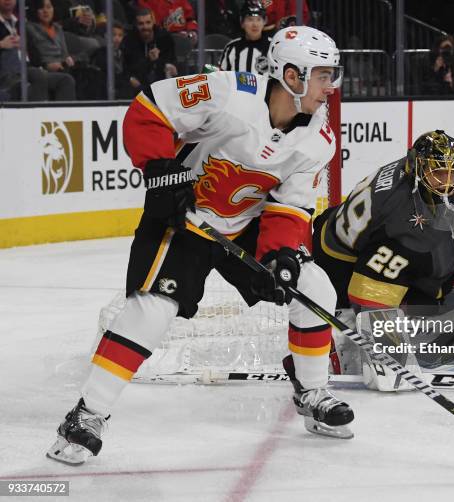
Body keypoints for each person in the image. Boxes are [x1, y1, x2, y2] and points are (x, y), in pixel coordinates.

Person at [47, 25, 353, 465]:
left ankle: (312, 392)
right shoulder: (228, 92)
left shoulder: (318, 138)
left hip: (244, 225)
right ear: (292, 75)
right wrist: (160, 169)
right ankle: (86, 414)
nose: (331, 87)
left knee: (315, 286)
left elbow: (291, 206)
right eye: (324, 75)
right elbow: (150, 109)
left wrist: (282, 254)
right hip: (183, 218)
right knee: (153, 309)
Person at [311, 131, 454, 388]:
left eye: (451, 172)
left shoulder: (411, 170)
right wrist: (391, 356)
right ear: (419, 168)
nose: (446, 182)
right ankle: (337, 337)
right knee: (356, 325)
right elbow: (365, 291)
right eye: (438, 172)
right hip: (337, 260)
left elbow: (444, 199)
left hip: (347, 228)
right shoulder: (401, 220)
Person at [25, 0, 76, 100]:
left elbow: (64, 53)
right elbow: (32, 55)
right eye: (41, 8)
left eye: (49, 7)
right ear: (35, 10)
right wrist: (46, 66)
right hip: (42, 69)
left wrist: (67, 59)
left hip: (62, 66)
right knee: (66, 79)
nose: (45, 11)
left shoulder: (58, 28)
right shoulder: (28, 28)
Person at [122, 8, 177, 92]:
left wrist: (158, 61)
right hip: (138, 86)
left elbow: (171, 63)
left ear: (153, 22)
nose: (145, 27)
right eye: (141, 24)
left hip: (162, 84)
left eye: (148, 22)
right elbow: (130, 68)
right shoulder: (129, 40)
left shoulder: (164, 38)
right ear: (136, 25)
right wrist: (149, 60)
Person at [218, 0, 270, 75]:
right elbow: (222, 77)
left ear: (265, 21)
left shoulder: (273, 47)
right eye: (250, 19)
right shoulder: (231, 48)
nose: (255, 24)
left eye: (259, 19)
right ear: (242, 22)